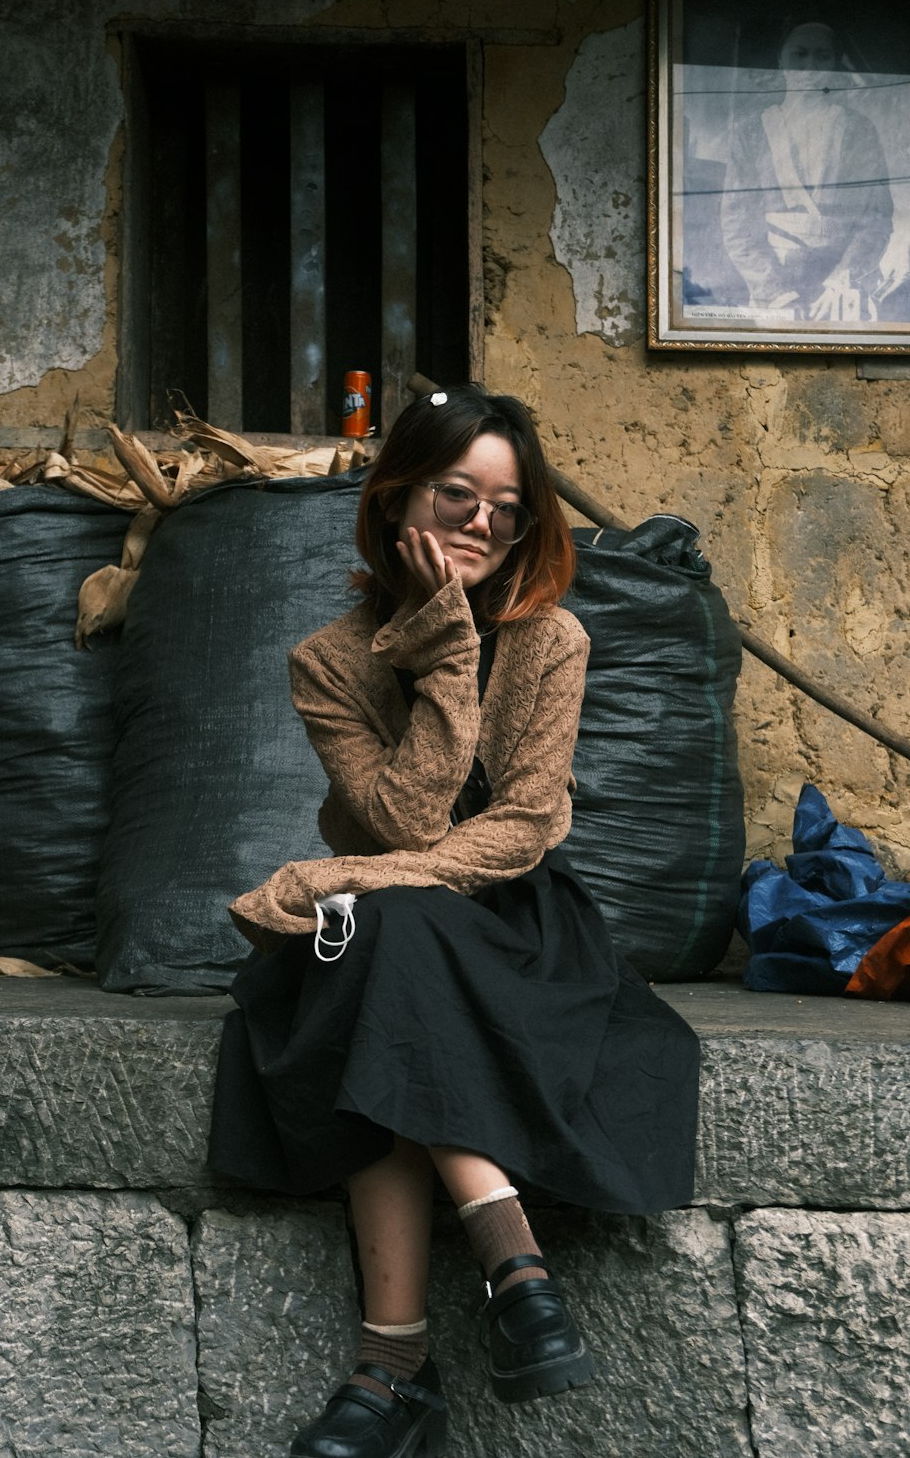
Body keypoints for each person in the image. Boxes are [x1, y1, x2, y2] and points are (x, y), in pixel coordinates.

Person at [208, 385, 700, 1458]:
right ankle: (512, 1266)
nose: (481, 522)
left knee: (385, 942)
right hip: (383, 936)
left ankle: (391, 1372)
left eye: (506, 506)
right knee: (384, 951)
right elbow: (402, 814)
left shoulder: (551, 638)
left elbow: (521, 830)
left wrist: (368, 877)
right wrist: (438, 661)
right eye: (454, 495)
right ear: (396, 507)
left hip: (520, 933)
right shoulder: (330, 662)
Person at [720, 20, 892, 321]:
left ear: (834, 64)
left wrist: (842, 281)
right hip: (773, 286)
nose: (810, 66)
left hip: (840, 287)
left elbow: (876, 218)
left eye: (822, 56)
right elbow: (736, 223)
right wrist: (776, 294)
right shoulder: (750, 132)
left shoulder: (859, 130)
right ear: (781, 61)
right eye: (799, 54)